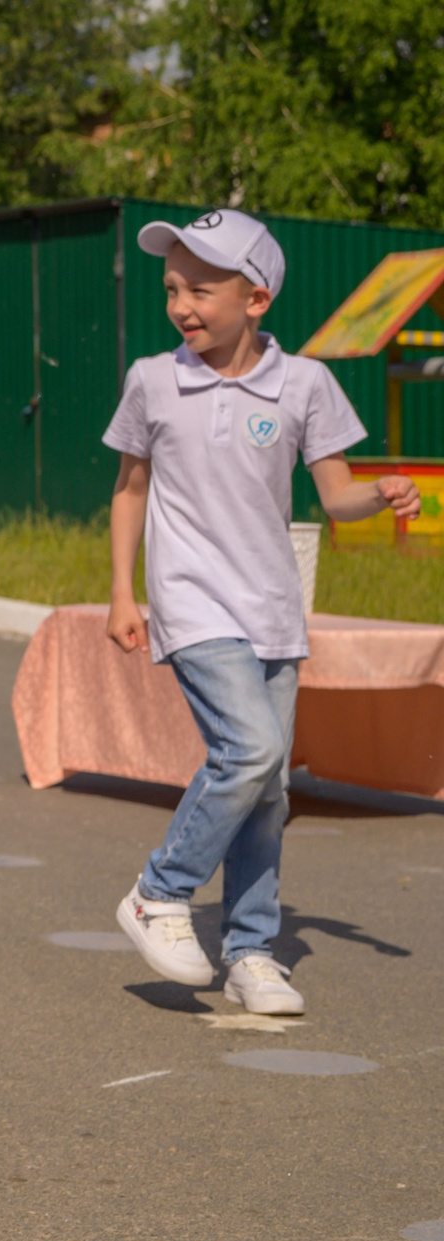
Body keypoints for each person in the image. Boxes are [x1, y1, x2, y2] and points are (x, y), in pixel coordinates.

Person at [105, 211, 419, 1014]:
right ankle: (159, 889)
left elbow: (336, 495)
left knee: (268, 788)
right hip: (192, 601)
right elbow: (131, 489)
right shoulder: (153, 379)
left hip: (273, 607)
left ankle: (250, 952)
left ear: (256, 298)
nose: (181, 305)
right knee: (249, 751)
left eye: (200, 289)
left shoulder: (305, 383)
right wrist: (122, 592)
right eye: (171, 288)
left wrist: (379, 494)